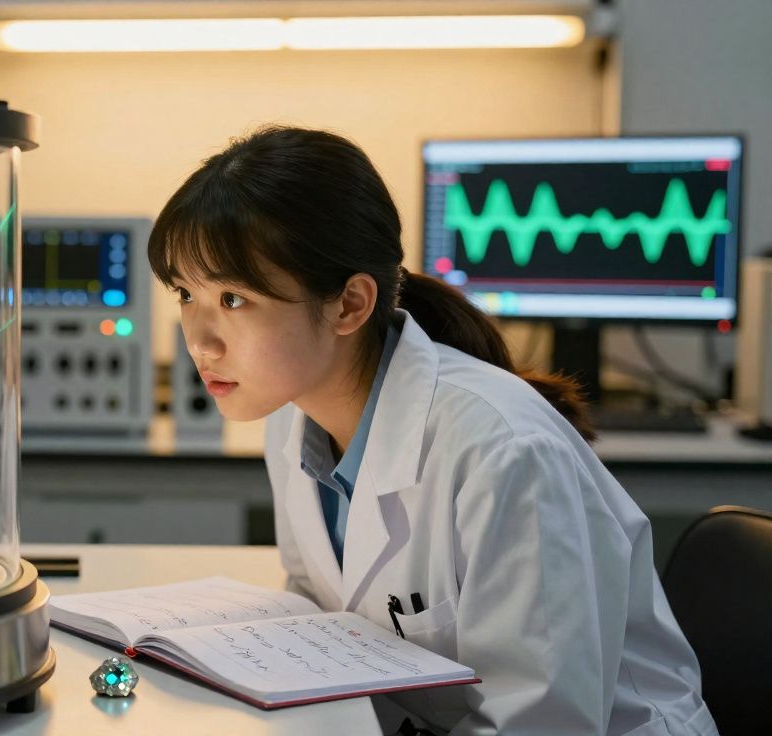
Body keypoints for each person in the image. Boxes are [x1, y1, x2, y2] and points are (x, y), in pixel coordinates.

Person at [147, 126, 717, 735]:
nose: (199, 340)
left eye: (233, 299)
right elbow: (323, 639)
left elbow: (543, 722)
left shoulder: (505, 452)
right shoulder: (292, 418)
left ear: (349, 305)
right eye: (186, 293)